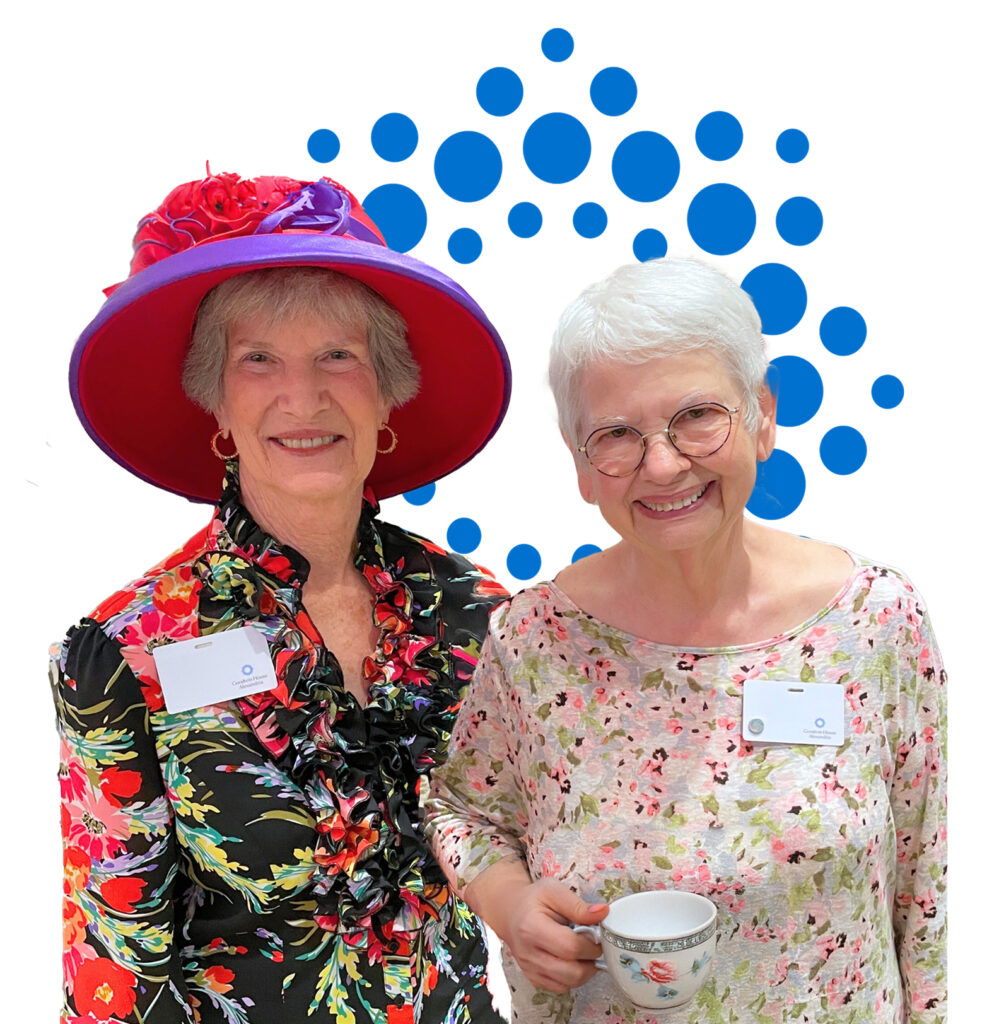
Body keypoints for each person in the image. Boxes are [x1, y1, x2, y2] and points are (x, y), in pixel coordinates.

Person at [426, 258, 946, 1023]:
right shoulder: (533, 640)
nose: (663, 464)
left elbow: (922, 881)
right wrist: (508, 905)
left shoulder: (873, 621)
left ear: (762, 416)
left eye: (697, 416)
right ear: (580, 465)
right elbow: (462, 809)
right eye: (616, 434)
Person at [53, 171, 513, 1023]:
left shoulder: (479, 613)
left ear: (387, 398)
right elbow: (115, 967)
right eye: (258, 359)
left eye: (338, 355)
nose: (303, 396)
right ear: (218, 408)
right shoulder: (130, 648)